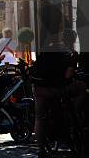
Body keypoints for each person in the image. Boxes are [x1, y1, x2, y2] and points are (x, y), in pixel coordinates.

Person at [32, 21, 86, 158]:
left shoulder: (48, 48)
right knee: (81, 88)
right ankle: (74, 112)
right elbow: (68, 76)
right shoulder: (71, 53)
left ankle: (40, 150)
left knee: (40, 117)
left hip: (39, 87)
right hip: (56, 88)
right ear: (73, 40)